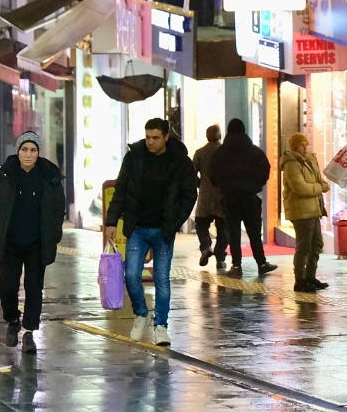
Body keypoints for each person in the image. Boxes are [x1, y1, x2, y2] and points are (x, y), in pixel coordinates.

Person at [103, 118, 197, 346]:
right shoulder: (134, 157)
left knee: (162, 279)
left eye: (155, 138)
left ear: (166, 137)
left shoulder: (180, 162)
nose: (150, 142)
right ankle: (142, 314)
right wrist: (112, 221)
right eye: (147, 137)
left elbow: (189, 194)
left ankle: (161, 326)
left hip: (164, 230)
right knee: (132, 276)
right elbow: (121, 189)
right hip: (137, 227)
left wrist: (176, 221)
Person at [0, 133, 65, 354]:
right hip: (10, 242)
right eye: (24, 150)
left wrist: (53, 235)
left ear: (38, 153)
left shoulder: (49, 176)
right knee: (7, 287)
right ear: (18, 151)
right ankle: (12, 319)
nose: (28, 154)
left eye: (33, 150)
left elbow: (58, 208)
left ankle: (29, 332)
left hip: (36, 244)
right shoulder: (6, 174)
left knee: (34, 289)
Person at [210, 118, 276, 277]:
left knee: (233, 233)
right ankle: (261, 263)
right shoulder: (254, 151)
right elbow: (265, 169)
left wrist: (222, 186)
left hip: (229, 198)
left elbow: (212, 174)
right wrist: (256, 185)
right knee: (254, 232)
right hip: (250, 198)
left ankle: (236, 266)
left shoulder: (220, 153)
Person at [280, 133, 327, 292]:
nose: (305, 148)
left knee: (317, 244)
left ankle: (310, 276)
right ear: (294, 147)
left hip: (313, 208)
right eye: (302, 145)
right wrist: (320, 188)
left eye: (306, 144)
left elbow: (317, 180)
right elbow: (299, 187)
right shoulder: (291, 164)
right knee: (304, 246)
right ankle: (300, 280)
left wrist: (322, 184)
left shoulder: (309, 160)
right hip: (301, 211)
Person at [191, 124, 225, 270]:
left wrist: (200, 184)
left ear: (207, 137)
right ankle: (220, 257)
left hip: (205, 195)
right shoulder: (226, 152)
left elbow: (191, 174)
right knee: (224, 228)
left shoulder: (200, 153)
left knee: (201, 224)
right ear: (220, 136)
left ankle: (206, 247)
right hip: (223, 196)